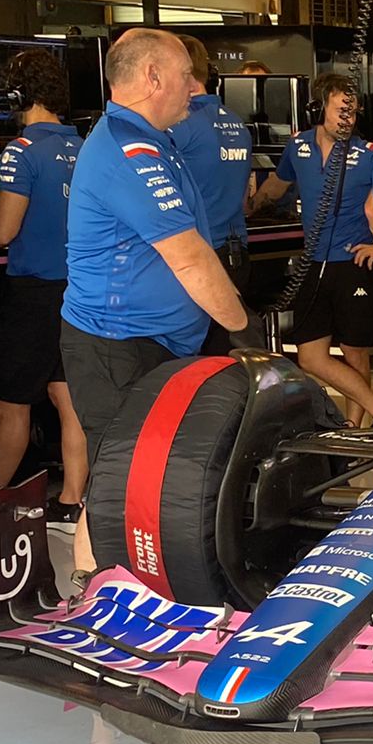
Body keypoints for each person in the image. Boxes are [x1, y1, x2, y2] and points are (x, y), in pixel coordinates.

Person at [62, 29, 250, 581]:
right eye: (184, 76)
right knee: (114, 484)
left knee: (142, 478)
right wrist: (244, 330)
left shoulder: (157, 140)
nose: (195, 87)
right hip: (116, 345)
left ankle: (122, 594)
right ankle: (94, 601)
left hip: (160, 344)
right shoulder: (127, 149)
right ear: (152, 78)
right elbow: (189, 256)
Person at [0, 48, 86, 527]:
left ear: (16, 95)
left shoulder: (22, 151)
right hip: (78, 291)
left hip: (32, 293)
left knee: (10, 403)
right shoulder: (84, 147)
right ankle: (70, 500)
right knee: (68, 399)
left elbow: (2, 232)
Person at [244, 70, 373, 427]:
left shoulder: (369, 154)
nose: (348, 119)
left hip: (353, 263)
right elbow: (277, 186)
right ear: (319, 109)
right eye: (340, 111)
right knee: (311, 357)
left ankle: (356, 429)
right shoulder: (297, 147)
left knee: (354, 352)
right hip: (312, 263)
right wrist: (249, 208)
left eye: (353, 112)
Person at [170, 33, 256, 352]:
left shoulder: (181, 124)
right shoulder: (236, 123)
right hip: (237, 252)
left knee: (199, 362)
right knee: (227, 355)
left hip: (201, 257)